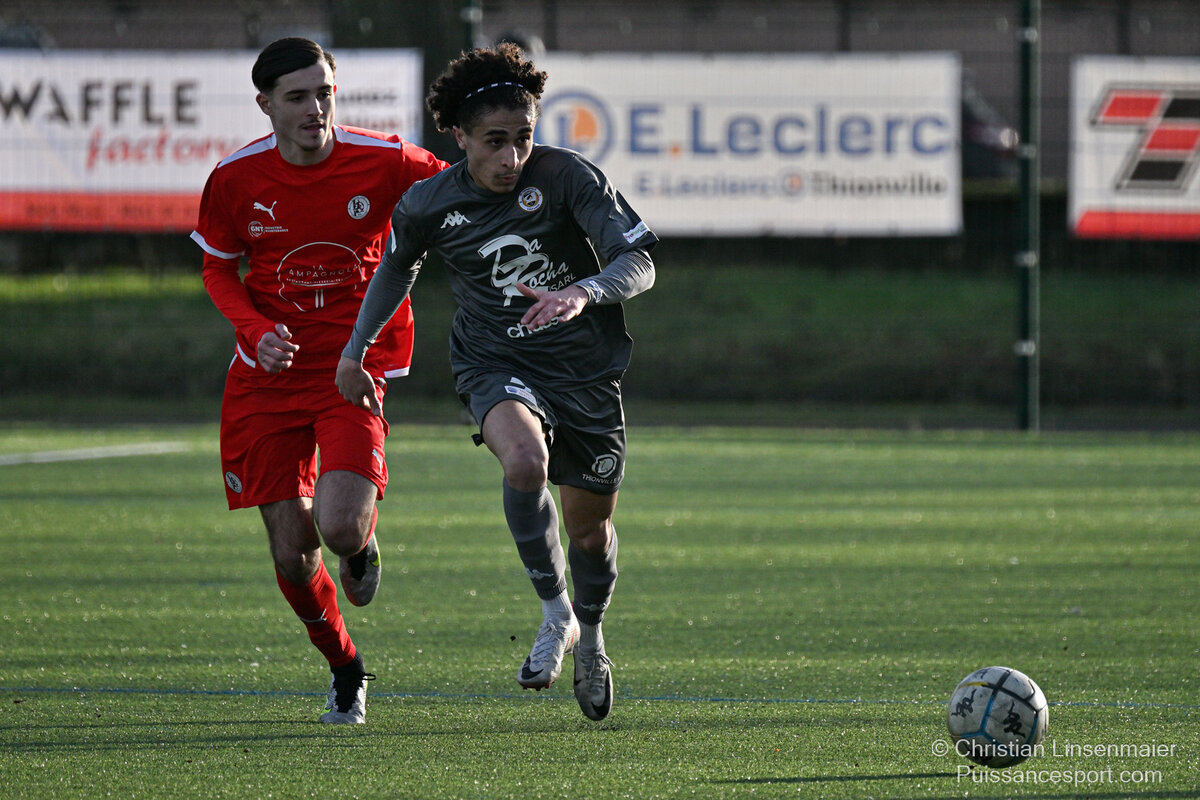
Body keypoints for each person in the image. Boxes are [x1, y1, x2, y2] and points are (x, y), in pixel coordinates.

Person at [335, 43, 657, 722]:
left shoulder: (566, 176)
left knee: (591, 533)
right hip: (493, 361)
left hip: (585, 369)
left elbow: (638, 262)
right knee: (525, 461)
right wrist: (354, 350)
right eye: (495, 142)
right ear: (460, 137)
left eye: (523, 138)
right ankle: (555, 613)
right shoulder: (428, 203)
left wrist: (584, 291)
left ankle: (591, 636)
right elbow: (395, 270)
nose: (512, 156)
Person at [190, 37, 447, 724]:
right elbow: (218, 267)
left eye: (324, 93)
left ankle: (360, 545)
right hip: (265, 380)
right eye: (298, 97)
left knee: (337, 528)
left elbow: (463, 188)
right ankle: (345, 666)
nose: (315, 109)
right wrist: (255, 329)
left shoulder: (387, 160)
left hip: (352, 368)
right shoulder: (235, 178)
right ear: (265, 104)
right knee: (291, 552)